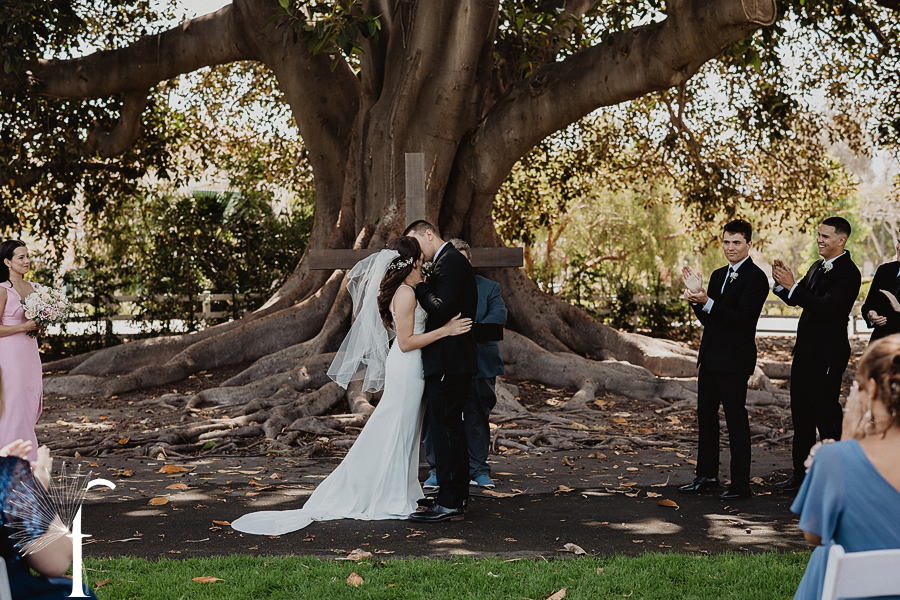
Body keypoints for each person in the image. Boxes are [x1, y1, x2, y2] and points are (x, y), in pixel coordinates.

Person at [231, 237, 471, 535]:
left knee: (405, 428)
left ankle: (403, 490)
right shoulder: (407, 293)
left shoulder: (410, 289)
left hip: (413, 367)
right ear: (410, 263)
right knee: (397, 426)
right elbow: (408, 342)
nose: (424, 264)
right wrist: (446, 331)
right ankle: (388, 493)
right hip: (408, 366)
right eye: (420, 260)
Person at [790, 335, 900, 600]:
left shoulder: (835, 459)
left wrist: (846, 441)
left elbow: (814, 534)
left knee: (824, 553)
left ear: (872, 389)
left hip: (856, 592)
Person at [678, 219, 769, 500]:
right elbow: (710, 318)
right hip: (710, 357)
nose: (730, 247)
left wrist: (707, 301)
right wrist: (696, 299)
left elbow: (742, 320)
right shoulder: (718, 275)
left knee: (735, 420)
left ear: (749, 244)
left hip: (735, 360)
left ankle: (741, 484)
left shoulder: (756, 278)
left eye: (737, 242)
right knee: (706, 418)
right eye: (727, 242)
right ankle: (706, 475)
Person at [771, 217, 861, 491]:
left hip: (828, 355)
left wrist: (793, 287)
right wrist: (780, 283)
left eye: (825, 236)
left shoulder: (849, 273)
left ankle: (838, 478)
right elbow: (801, 299)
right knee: (801, 417)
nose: (819, 240)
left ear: (841, 240)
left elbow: (824, 307)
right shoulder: (816, 267)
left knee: (826, 415)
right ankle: (801, 475)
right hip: (805, 354)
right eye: (818, 235)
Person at [403, 220, 478, 523]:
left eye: (416, 244)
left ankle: (449, 501)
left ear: (429, 234)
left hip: (449, 360)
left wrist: (418, 282)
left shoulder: (450, 262)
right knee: (450, 429)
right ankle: (454, 495)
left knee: (446, 430)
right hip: (452, 359)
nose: (415, 255)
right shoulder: (448, 262)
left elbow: (439, 308)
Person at [423, 239, 507, 491]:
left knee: (477, 417)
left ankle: (479, 469)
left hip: (481, 364)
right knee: (435, 418)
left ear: (469, 262)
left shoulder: (490, 288)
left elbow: (497, 321)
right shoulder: (434, 287)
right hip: (444, 364)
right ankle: (437, 470)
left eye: (463, 261)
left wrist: (455, 331)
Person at [0, 240, 42, 461]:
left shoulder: (35, 288)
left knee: (29, 403)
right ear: (8, 262)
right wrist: (24, 327)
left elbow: (36, 322)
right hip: (9, 356)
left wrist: (40, 324)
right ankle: (9, 464)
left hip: (30, 354)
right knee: (13, 407)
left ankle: (28, 462)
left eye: (27, 256)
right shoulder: (2, 290)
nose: (26, 261)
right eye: (21, 257)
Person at [860, 235, 900, 343]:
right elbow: (868, 305)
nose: (899, 247)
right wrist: (871, 314)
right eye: (899, 241)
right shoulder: (884, 270)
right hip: (879, 345)